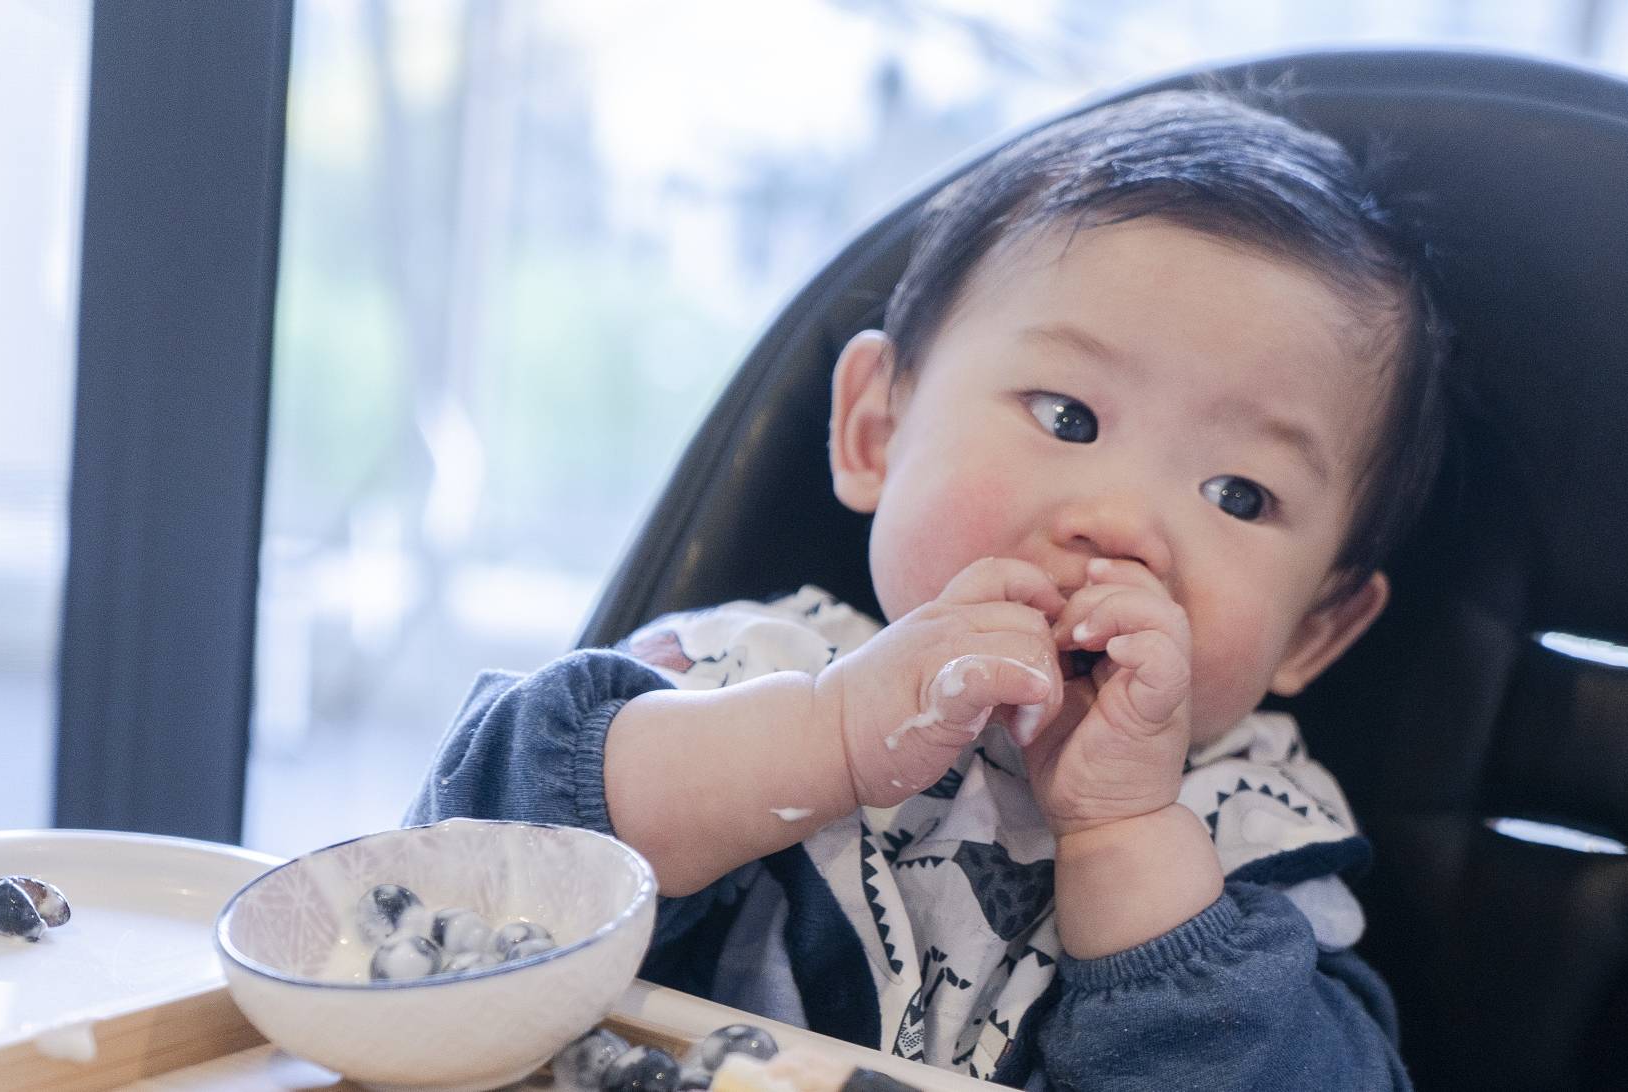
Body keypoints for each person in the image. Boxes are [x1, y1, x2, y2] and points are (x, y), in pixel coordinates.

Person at [408, 88, 1450, 1091]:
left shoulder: (1256, 847)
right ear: (876, 430)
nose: (1124, 525)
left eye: (1236, 493)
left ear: (1313, 627)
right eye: (1067, 418)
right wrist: (826, 734)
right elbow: (448, 881)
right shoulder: (738, 674)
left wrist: (1129, 846)